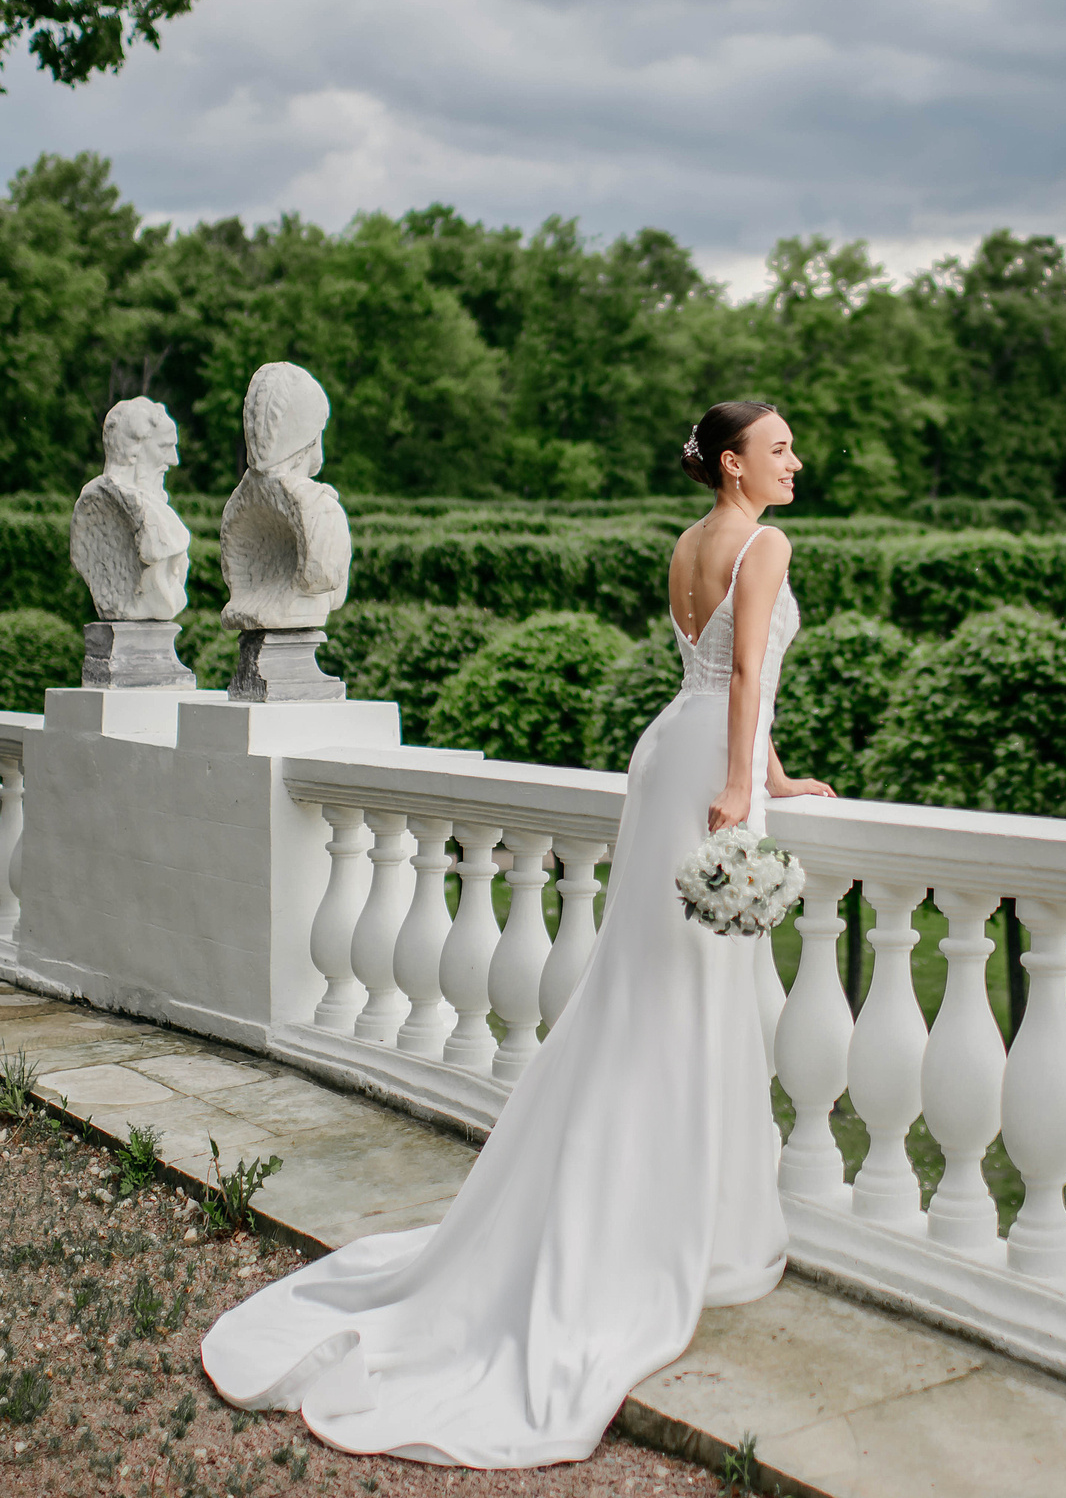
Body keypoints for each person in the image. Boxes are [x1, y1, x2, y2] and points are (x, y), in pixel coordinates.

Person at [200, 400, 835, 1468]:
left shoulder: (690, 541)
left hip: (666, 755)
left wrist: (766, 772)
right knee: (685, 997)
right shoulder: (763, 541)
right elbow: (753, 678)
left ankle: (669, 1205)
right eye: (777, 449)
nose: (793, 461)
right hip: (706, 775)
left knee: (649, 992)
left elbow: (716, 670)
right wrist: (745, 784)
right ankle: (689, 1227)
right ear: (732, 465)